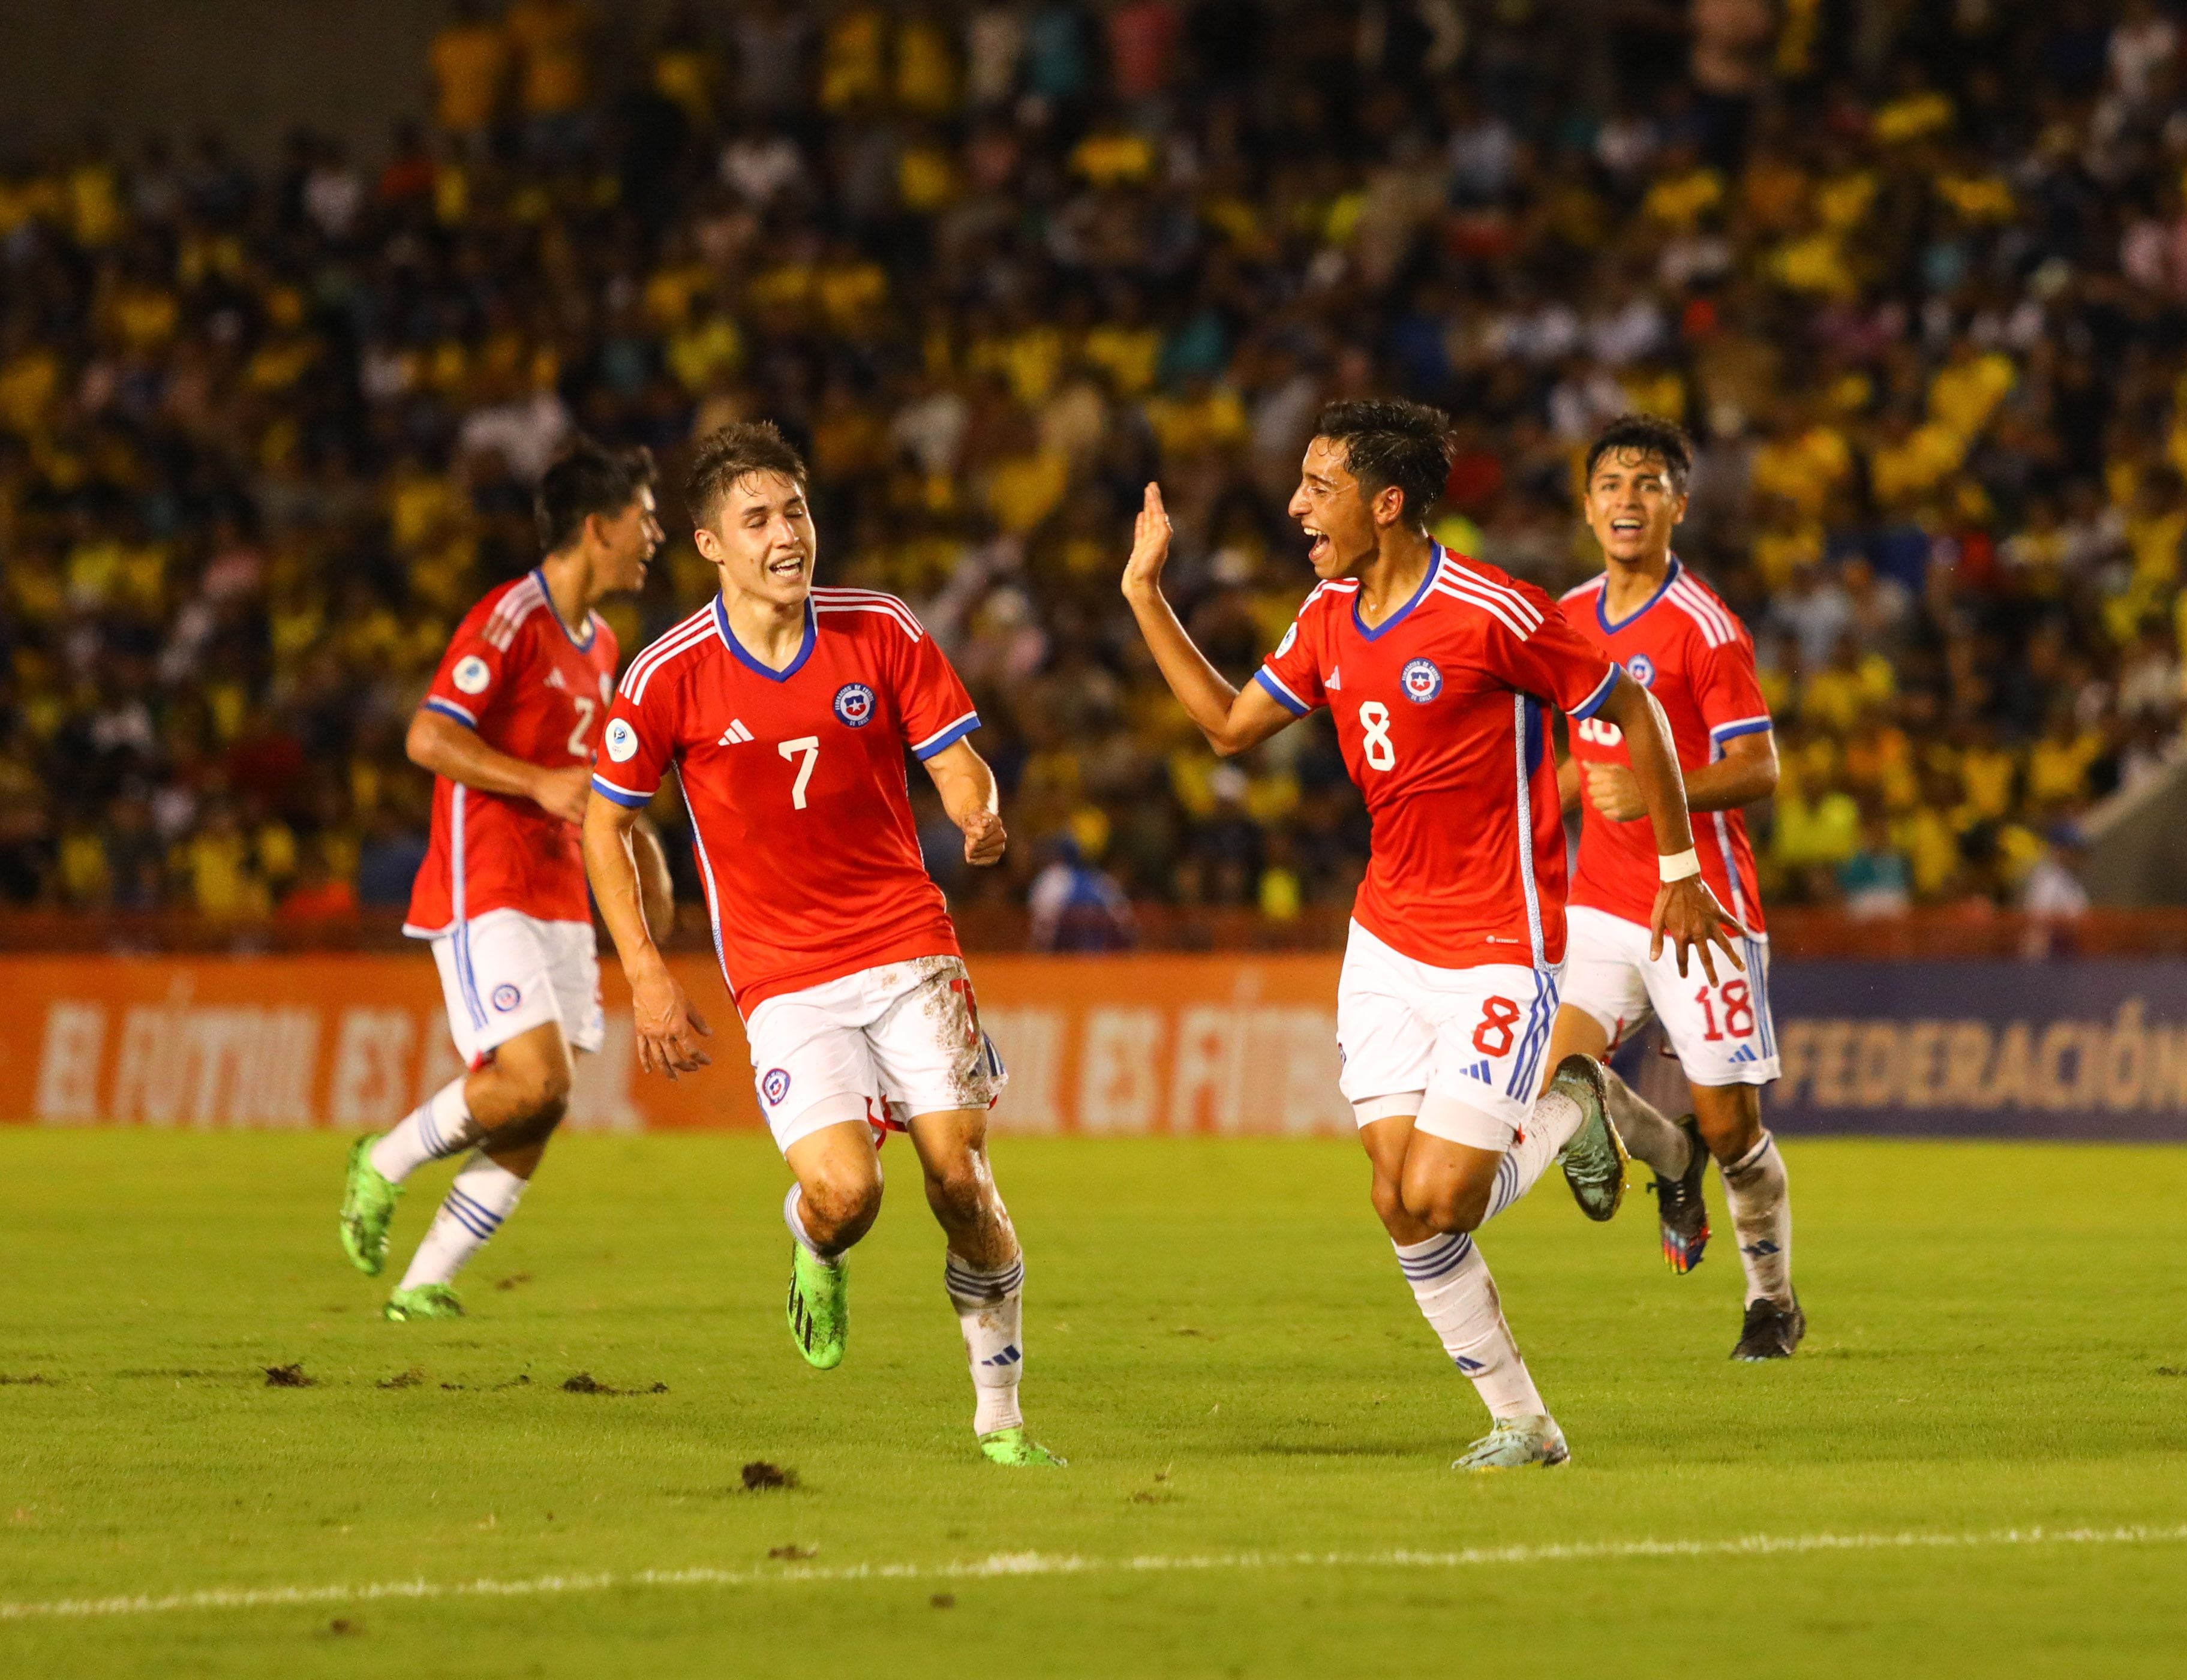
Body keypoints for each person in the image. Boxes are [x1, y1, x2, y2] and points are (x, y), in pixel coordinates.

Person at [1122, 399, 1741, 1469]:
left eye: (1320, 487)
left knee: (1445, 1192)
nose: (1296, 506)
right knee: (1395, 1201)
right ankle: (1524, 1424)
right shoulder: (1324, 617)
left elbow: (1629, 709)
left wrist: (1680, 869)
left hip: (1503, 941)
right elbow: (1226, 727)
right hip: (1386, 947)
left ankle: (1570, 1097)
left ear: (1387, 502)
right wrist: (1143, 594)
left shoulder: (1494, 610)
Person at [580, 422, 1061, 1469]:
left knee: (960, 1180)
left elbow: (954, 758)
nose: (786, 535)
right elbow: (601, 822)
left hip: (907, 944)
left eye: (795, 511)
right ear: (711, 545)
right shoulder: (669, 673)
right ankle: (811, 1245)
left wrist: (976, 813)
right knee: (848, 1197)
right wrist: (649, 977)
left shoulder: (877, 627)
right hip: (786, 977)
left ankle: (1001, 1418)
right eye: (757, 520)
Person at [338, 444, 669, 1320]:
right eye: (645, 517)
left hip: (561, 891)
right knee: (528, 1079)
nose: (656, 535)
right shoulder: (510, 617)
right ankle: (384, 1160)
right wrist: (533, 782)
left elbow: (600, 775)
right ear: (597, 527)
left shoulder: (601, 645)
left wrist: (648, 856)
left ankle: (424, 1282)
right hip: (484, 880)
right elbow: (428, 736)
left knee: (545, 1100)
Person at [1543, 414, 1803, 1361]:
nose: (1626, 498)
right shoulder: (1565, 618)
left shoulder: (1706, 629)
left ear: (1677, 507)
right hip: (1600, 905)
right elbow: (1575, 760)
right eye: (1610, 482)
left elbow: (1759, 767)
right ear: (1586, 506)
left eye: (1648, 483)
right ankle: (1668, 1153)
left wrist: (1659, 786)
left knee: (1735, 1128)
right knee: (1554, 1074)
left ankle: (1770, 1298)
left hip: (1700, 906)